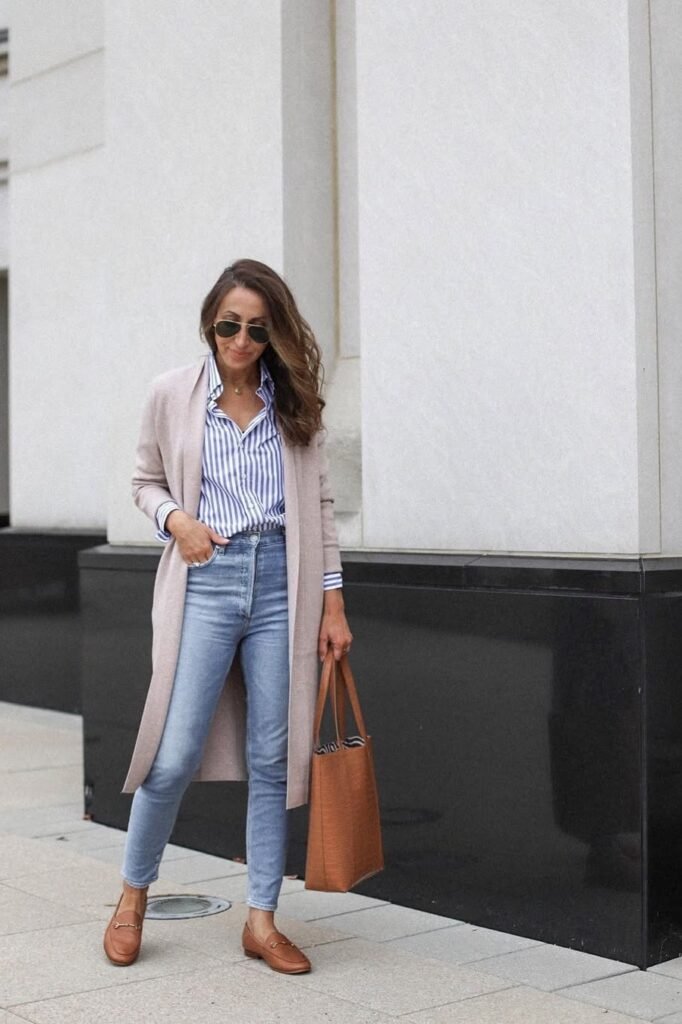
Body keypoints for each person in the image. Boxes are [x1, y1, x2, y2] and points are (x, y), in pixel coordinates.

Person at [103, 258, 352, 971]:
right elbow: (144, 481)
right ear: (210, 323)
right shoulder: (172, 395)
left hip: (283, 582)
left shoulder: (293, 403)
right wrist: (177, 519)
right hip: (206, 581)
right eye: (228, 326)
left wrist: (333, 601)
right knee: (174, 752)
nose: (240, 341)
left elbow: (323, 510)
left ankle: (263, 920)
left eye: (255, 328)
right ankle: (131, 897)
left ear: (272, 332)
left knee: (273, 757)